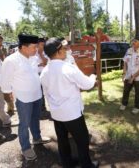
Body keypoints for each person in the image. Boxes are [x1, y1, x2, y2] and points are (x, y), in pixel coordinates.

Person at [40, 38, 99, 168]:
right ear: (59, 51)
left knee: (62, 141)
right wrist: (93, 76)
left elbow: (46, 94)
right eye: (63, 48)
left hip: (57, 113)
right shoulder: (67, 68)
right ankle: (87, 165)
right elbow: (87, 84)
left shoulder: (44, 72)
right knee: (82, 140)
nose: (66, 50)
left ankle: (67, 163)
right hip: (72, 113)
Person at [0, 34, 51, 161]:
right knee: (24, 123)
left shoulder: (33, 57)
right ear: (23, 47)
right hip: (23, 98)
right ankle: (26, 148)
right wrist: (8, 93)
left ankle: (37, 138)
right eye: (34, 47)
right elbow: (3, 80)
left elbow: (41, 66)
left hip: (36, 95)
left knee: (35, 119)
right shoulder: (11, 60)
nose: (36, 50)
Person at [120, 36, 139, 114]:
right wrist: (124, 73)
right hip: (128, 75)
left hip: (138, 77)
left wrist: (134, 76)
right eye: (133, 41)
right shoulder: (129, 51)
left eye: (135, 41)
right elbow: (125, 62)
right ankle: (124, 104)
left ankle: (137, 107)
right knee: (126, 90)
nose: (133, 42)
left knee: (138, 93)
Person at [0, 34, 18, 127]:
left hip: (1, 81)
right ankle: (6, 121)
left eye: (1, 42)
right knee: (0, 104)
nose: (1, 44)